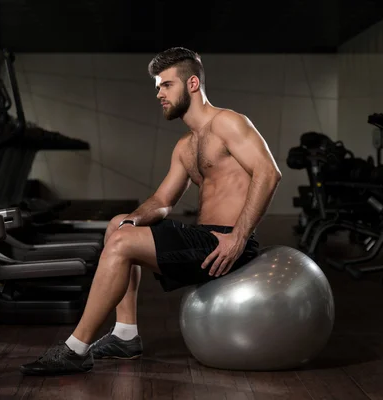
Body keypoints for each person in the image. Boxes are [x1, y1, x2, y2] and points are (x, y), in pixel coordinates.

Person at [19, 47, 282, 376]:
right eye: (158, 86)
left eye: (166, 85)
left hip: (227, 244)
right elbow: (161, 201)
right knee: (118, 226)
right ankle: (125, 335)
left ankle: (75, 349)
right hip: (203, 239)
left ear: (193, 84)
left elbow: (268, 173)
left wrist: (239, 238)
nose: (159, 93)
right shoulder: (186, 146)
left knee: (122, 243)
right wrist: (132, 220)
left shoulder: (228, 122)